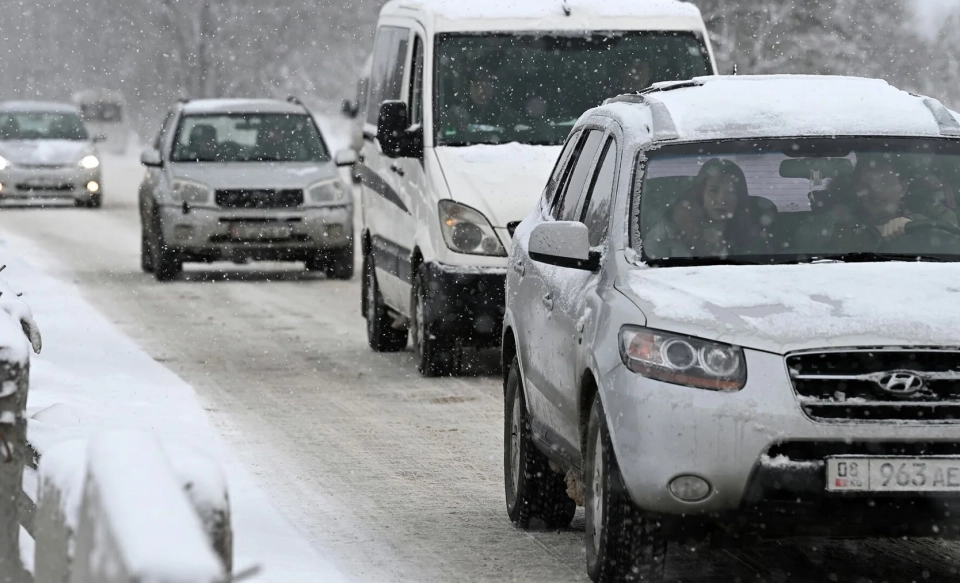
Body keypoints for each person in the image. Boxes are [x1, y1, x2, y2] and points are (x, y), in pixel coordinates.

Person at [796, 155, 958, 253]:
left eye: (884, 182)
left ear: (903, 187)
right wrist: (831, 221)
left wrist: (916, 224)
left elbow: (953, 237)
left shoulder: (934, 215)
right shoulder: (835, 222)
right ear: (855, 189)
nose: (874, 190)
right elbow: (797, 251)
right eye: (866, 183)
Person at [644, 159, 765, 259]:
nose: (722, 200)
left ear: (739, 198)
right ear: (701, 194)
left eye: (731, 192)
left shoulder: (752, 237)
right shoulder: (667, 232)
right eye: (713, 190)